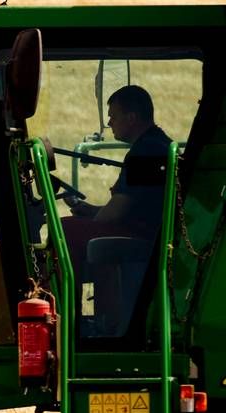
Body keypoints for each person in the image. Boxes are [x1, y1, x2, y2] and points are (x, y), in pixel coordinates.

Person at [60, 85, 172, 332]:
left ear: (131, 118)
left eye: (113, 116)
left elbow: (116, 214)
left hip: (146, 237)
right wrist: (90, 211)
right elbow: (135, 204)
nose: (110, 123)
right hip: (148, 228)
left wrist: (94, 216)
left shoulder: (146, 151)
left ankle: (72, 323)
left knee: (65, 232)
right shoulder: (156, 145)